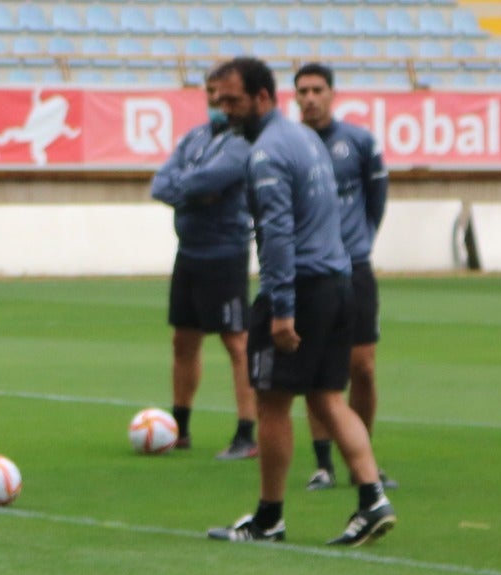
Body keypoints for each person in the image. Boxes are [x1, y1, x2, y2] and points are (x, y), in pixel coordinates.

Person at [205, 57, 395, 547]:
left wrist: (282, 307)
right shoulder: (307, 140)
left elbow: (277, 234)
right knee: (328, 396)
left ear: (263, 98)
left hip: (301, 287)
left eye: (233, 101)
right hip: (338, 279)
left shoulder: (267, 154)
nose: (224, 111)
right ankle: (373, 498)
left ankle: (269, 519)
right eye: (219, 100)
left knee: (271, 402)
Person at [293, 62, 395, 492]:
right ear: (293, 96)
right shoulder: (289, 145)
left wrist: (360, 242)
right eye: (302, 91)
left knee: (363, 368)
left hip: (354, 267)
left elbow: (376, 201)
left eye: (317, 89)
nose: (310, 98)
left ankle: (361, 459)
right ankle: (322, 464)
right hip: (312, 270)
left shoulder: (359, 142)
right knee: (316, 368)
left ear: (333, 94)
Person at [149, 67, 258, 459]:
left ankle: (247, 433)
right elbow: (160, 183)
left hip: (224, 252)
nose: (216, 101)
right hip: (189, 251)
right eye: (211, 92)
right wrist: (192, 190)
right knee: (184, 339)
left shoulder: (241, 142)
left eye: (223, 94)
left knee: (237, 342)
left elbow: (212, 180)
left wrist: (189, 186)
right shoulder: (194, 137)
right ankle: (180, 428)